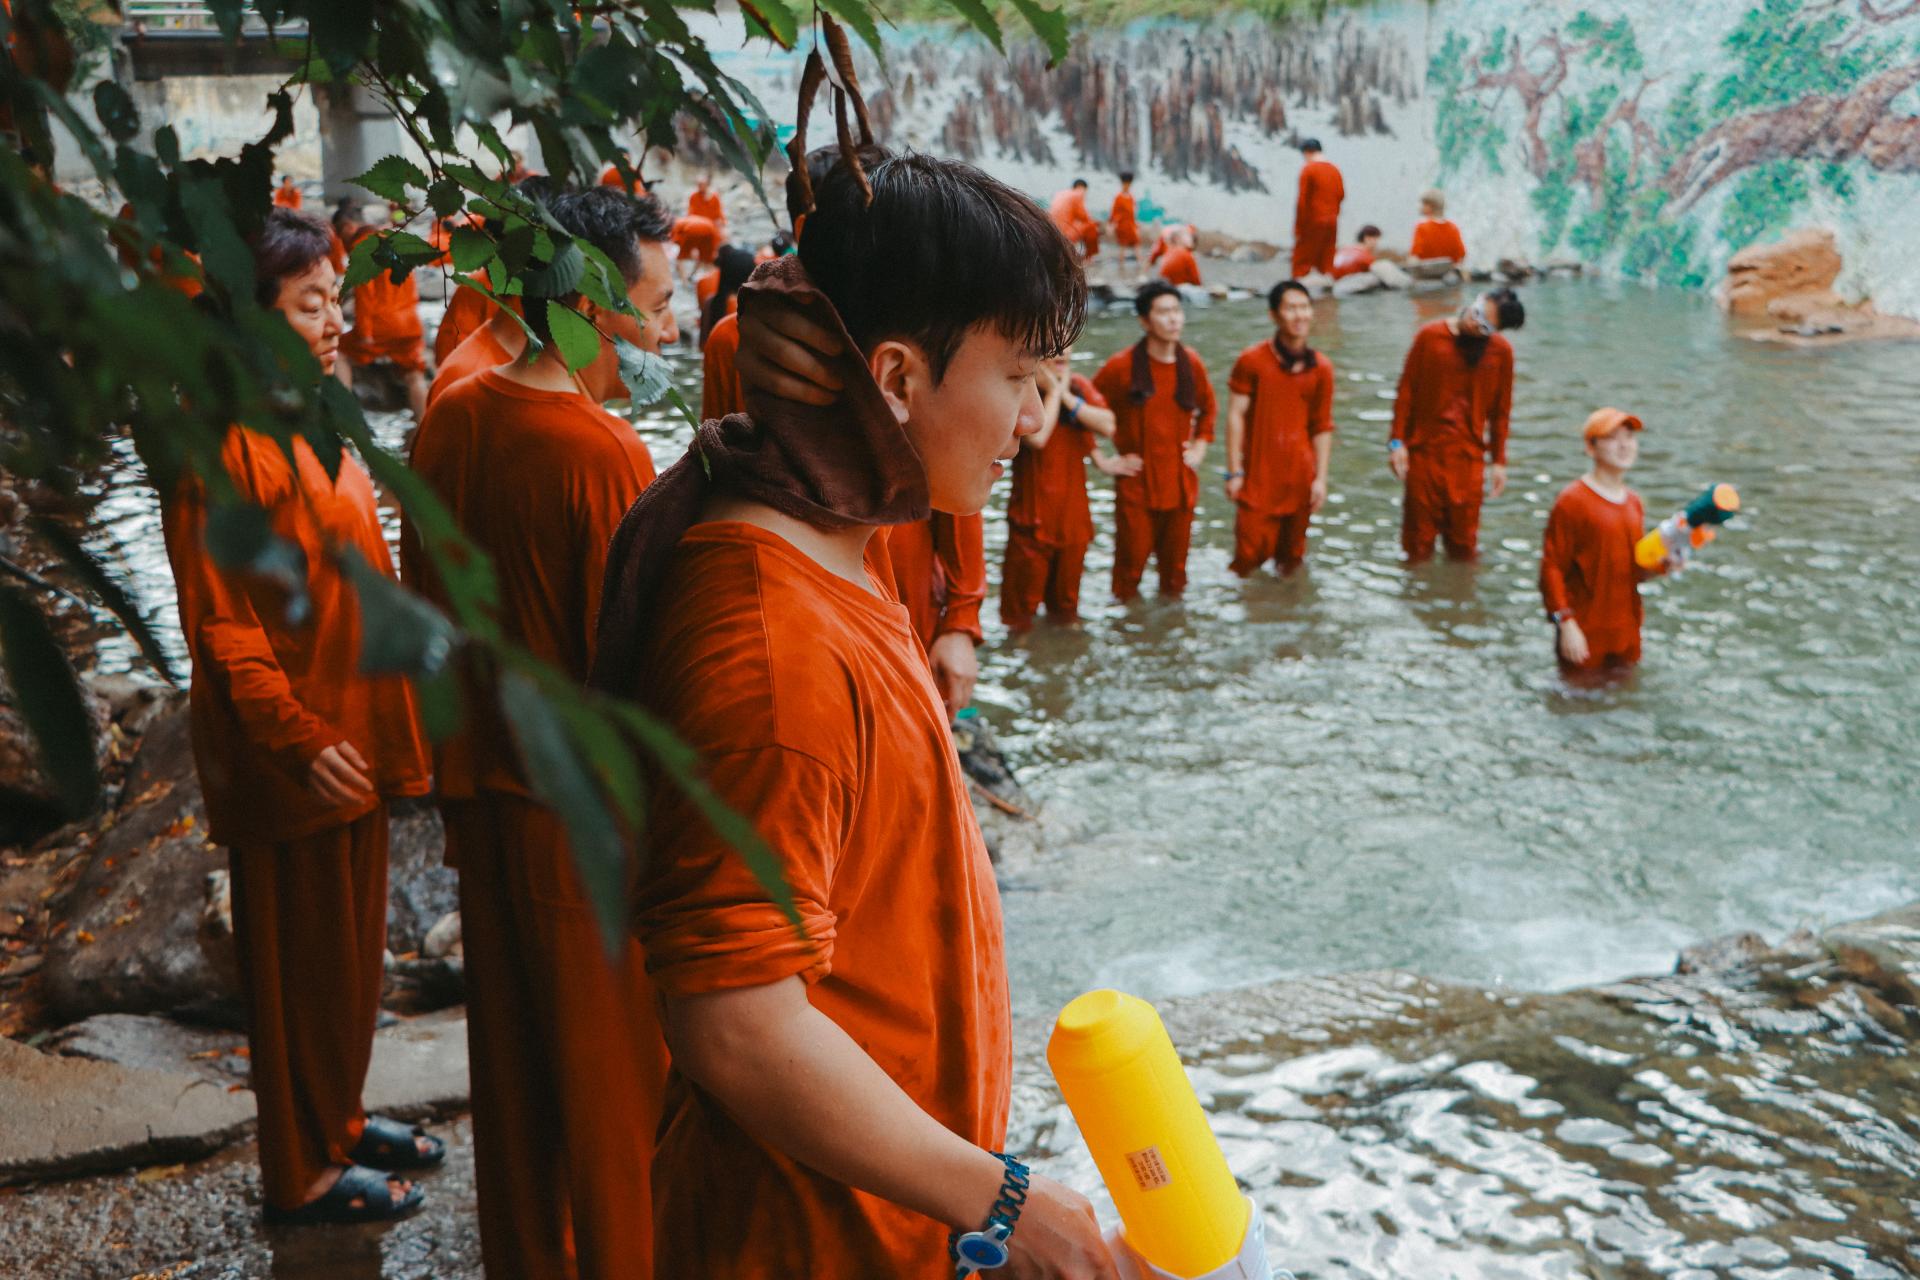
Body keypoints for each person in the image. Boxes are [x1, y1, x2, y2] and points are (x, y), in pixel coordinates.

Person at [590, 145, 1116, 1280]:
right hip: (807, 1240)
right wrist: (1004, 1199)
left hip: (890, 1214)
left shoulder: (841, 541)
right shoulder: (773, 647)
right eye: (1021, 376)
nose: (1036, 420)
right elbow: (736, 1022)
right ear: (894, 378)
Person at [405, 188, 677, 1280]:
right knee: (615, 1096)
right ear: (596, 304)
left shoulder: (454, 405)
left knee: (516, 1081)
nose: (667, 328)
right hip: (580, 825)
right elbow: (632, 674)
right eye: (656, 304)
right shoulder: (601, 452)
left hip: (483, 795)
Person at [161, 209, 437, 1228]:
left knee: (349, 959)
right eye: (313, 304)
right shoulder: (219, 448)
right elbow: (222, 625)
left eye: (336, 299)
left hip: (358, 720)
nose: (337, 322)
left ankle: (340, 1118)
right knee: (298, 969)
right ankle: (301, 1169)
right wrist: (298, 735)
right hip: (299, 746)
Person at [1095, 279, 1217, 601]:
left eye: (1177, 310)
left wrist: (1200, 446)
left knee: (1175, 575)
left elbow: (1209, 409)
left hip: (1180, 485)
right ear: (1145, 321)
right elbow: (1084, 409)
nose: (1173, 319)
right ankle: (1126, 624)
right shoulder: (1122, 366)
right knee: (1128, 573)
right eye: (1163, 312)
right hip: (1137, 486)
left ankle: (1171, 627)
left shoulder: (1191, 363)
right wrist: (1103, 460)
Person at [1388, 287, 1524, 562]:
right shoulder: (1429, 337)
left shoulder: (1501, 353)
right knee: (1416, 545)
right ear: (1479, 299)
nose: (1474, 322)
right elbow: (1406, 392)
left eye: (1484, 326)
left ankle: (1460, 589)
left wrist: (1499, 461)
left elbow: (1500, 412)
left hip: (1468, 461)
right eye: (1478, 312)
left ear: (1495, 331)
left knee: (1464, 546)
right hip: (1423, 455)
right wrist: (1396, 442)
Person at [1001, 351, 1124, 630]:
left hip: (1072, 520)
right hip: (1031, 520)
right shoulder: (1023, 389)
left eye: (1066, 345)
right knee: (1019, 618)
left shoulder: (1078, 386)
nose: (1061, 352)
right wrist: (1054, 392)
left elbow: (1108, 425)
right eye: (1053, 346)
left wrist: (1065, 394)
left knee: (1067, 612)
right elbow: (1038, 439)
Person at [1541, 408, 1664, 682]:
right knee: (1577, 698)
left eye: (1629, 437)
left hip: (1625, 631)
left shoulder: (1634, 502)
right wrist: (1566, 623)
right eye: (1612, 438)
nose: (1624, 445)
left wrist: (1662, 566)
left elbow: (1633, 570)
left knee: (1625, 698)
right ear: (1590, 447)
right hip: (1585, 631)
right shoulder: (1573, 500)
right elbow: (1551, 567)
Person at [1225, 280, 1335, 577]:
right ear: (1274, 315)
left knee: (1292, 562)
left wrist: (1320, 479)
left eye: (1304, 307)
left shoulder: (1321, 367)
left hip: (1300, 479)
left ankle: (1286, 604)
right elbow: (1235, 415)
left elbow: (1322, 426)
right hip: (1257, 480)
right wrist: (1234, 471)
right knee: (1246, 561)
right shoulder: (1252, 361)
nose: (1300, 315)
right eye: (1291, 308)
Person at [334, 201, 430, 420]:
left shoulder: (362, 248)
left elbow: (365, 295)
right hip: (409, 322)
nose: (341, 242)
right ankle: (424, 425)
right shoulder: (392, 240)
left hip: (382, 324)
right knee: (413, 374)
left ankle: (344, 417)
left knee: (339, 352)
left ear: (348, 227)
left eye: (340, 235)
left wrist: (364, 332)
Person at [1290, 138, 1344, 278]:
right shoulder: (1334, 170)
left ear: (1307, 152)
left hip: (1312, 220)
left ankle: (1299, 284)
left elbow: (1302, 201)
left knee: (1302, 258)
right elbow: (1341, 194)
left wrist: (1298, 228)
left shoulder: (1309, 169)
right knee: (1327, 256)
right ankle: (1326, 283)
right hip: (1332, 220)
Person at [1409, 188, 1467, 264]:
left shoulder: (1422, 228)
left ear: (1431, 206)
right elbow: (1461, 255)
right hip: (1449, 270)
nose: (1422, 207)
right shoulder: (1453, 228)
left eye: (1424, 204)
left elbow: (1415, 257)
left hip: (1425, 270)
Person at [1050, 177, 1100, 261]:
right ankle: (1089, 258)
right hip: (1065, 234)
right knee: (1092, 226)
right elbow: (1083, 216)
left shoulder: (1061, 193)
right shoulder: (1078, 193)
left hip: (1053, 231)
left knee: (1080, 225)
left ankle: (1072, 252)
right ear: (1082, 187)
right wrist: (1095, 222)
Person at [671, 213, 721, 282]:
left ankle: (684, 282)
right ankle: (713, 280)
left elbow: (679, 251)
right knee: (706, 258)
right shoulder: (683, 220)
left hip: (692, 229)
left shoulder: (675, 225)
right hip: (710, 227)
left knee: (680, 257)